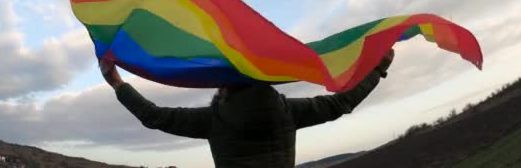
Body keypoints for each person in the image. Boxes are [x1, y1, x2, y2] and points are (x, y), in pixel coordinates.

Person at [101, 49, 395, 168]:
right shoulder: (288, 112)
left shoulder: (213, 120)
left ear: (224, 86)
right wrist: (377, 69)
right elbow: (341, 103)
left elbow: (154, 116)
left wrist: (117, 82)